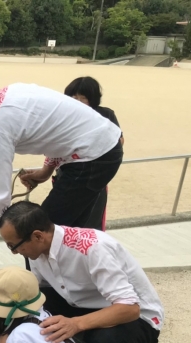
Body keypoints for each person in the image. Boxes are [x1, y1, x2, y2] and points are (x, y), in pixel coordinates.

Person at [0, 68, 123, 264]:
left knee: (35, 237)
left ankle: (47, 292)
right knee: (68, 236)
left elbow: (0, 200)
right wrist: (46, 170)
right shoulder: (9, 93)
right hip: (101, 146)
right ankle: (74, 286)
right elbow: (56, 131)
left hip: (94, 156)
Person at [0, 201, 163, 343]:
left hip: (137, 317)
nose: (14, 252)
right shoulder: (36, 249)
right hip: (83, 302)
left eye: (13, 246)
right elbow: (34, 294)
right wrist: (2, 324)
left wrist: (76, 324)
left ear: (38, 236)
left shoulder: (93, 248)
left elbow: (130, 309)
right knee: (32, 311)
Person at [64, 76, 124, 230]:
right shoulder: (64, 116)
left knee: (90, 224)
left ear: (93, 99)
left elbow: (119, 141)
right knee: (64, 224)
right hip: (67, 175)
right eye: (74, 97)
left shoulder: (105, 114)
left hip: (93, 178)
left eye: (83, 98)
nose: (77, 101)